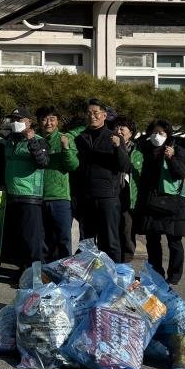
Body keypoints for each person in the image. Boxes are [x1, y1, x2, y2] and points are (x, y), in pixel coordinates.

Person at [0, 107, 50, 278]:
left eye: (19, 119)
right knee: (19, 239)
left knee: (32, 240)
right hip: (12, 195)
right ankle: (23, 273)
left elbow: (43, 162)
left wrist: (31, 140)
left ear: (29, 122)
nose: (15, 122)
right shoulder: (9, 141)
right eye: (13, 119)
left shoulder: (39, 140)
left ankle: (35, 277)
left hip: (29, 196)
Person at [134, 120, 185, 284]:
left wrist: (171, 157)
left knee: (174, 240)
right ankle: (156, 273)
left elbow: (180, 172)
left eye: (161, 133)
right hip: (151, 201)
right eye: (154, 132)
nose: (157, 136)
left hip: (173, 201)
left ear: (168, 134)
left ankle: (174, 275)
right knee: (152, 240)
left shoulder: (176, 149)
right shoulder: (145, 149)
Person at [75, 98, 131, 263]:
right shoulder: (80, 138)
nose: (92, 116)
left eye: (96, 113)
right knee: (87, 241)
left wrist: (117, 147)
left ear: (104, 115)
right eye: (89, 113)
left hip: (108, 196)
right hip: (86, 196)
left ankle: (114, 273)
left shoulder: (114, 137)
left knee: (110, 240)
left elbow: (125, 166)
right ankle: (89, 273)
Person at [37, 105, 79, 261]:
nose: (48, 123)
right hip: (38, 197)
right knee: (43, 240)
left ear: (58, 121)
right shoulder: (35, 139)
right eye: (44, 119)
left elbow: (73, 165)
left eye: (52, 119)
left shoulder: (65, 138)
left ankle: (65, 271)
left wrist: (65, 148)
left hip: (60, 197)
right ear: (39, 121)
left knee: (63, 239)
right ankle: (45, 271)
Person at [113, 116, 143, 264]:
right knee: (111, 231)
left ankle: (125, 264)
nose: (118, 131)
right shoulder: (109, 147)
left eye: (122, 128)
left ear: (130, 133)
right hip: (111, 194)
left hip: (129, 196)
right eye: (116, 128)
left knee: (127, 231)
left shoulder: (138, 152)